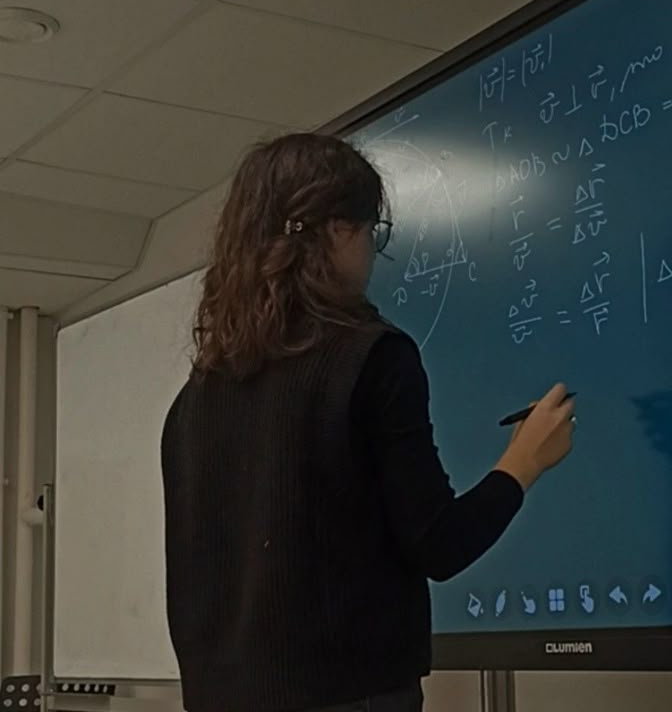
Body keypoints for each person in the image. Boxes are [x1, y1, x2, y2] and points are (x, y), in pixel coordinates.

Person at [160, 133, 575, 712]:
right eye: (372, 232)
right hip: (347, 696)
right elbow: (437, 545)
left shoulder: (193, 400)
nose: (371, 255)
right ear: (337, 230)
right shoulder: (371, 358)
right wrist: (523, 461)